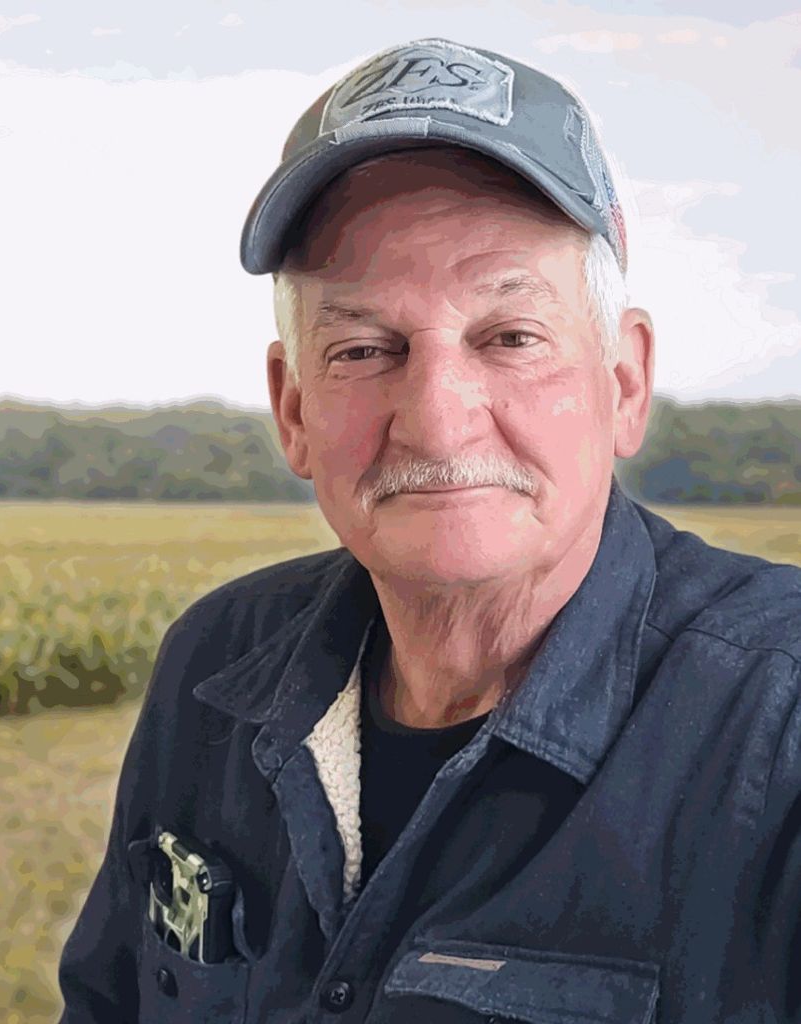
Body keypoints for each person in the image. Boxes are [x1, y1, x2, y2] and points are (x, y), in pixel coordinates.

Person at [58, 38, 801, 1024]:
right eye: (365, 349)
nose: (438, 417)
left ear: (623, 382)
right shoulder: (214, 663)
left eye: (509, 338)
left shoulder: (780, 730)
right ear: (292, 411)